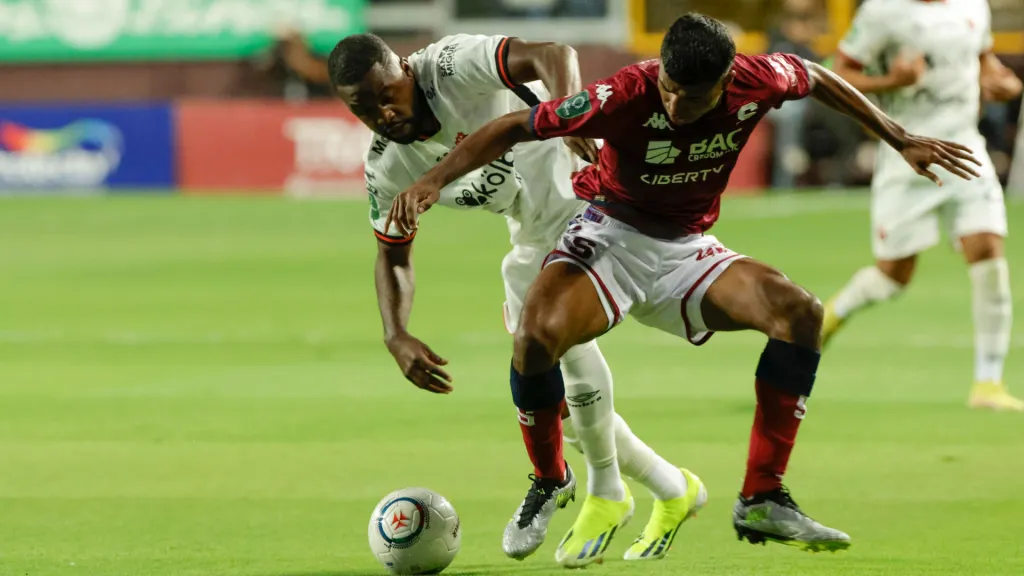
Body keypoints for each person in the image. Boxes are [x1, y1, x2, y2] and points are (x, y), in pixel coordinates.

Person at [387, 13, 983, 567]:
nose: (674, 103)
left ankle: (762, 497)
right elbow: (512, 125)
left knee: (800, 312)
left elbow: (816, 74)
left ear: (726, 80)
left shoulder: (758, 78)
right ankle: (550, 477)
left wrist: (899, 137)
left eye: (690, 96)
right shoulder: (625, 93)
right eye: (668, 88)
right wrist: (432, 182)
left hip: (687, 250)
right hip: (610, 236)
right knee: (535, 337)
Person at [327, 33, 705, 563]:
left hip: (590, 194)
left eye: (387, 95)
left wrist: (571, 117)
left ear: (406, 71)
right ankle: (670, 487)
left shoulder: (450, 66)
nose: (382, 114)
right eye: (363, 109)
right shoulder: (389, 164)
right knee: (557, 409)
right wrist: (396, 332)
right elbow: (393, 255)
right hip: (532, 235)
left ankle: (597, 489)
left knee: (551, 344)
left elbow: (556, 54)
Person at [822, 0, 1023, 411]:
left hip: (966, 151)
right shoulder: (881, 12)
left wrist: (1000, 81)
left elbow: (983, 60)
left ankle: (988, 383)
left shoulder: (973, 5)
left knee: (988, 252)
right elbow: (836, 75)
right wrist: (892, 81)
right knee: (893, 277)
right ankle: (829, 316)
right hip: (906, 156)